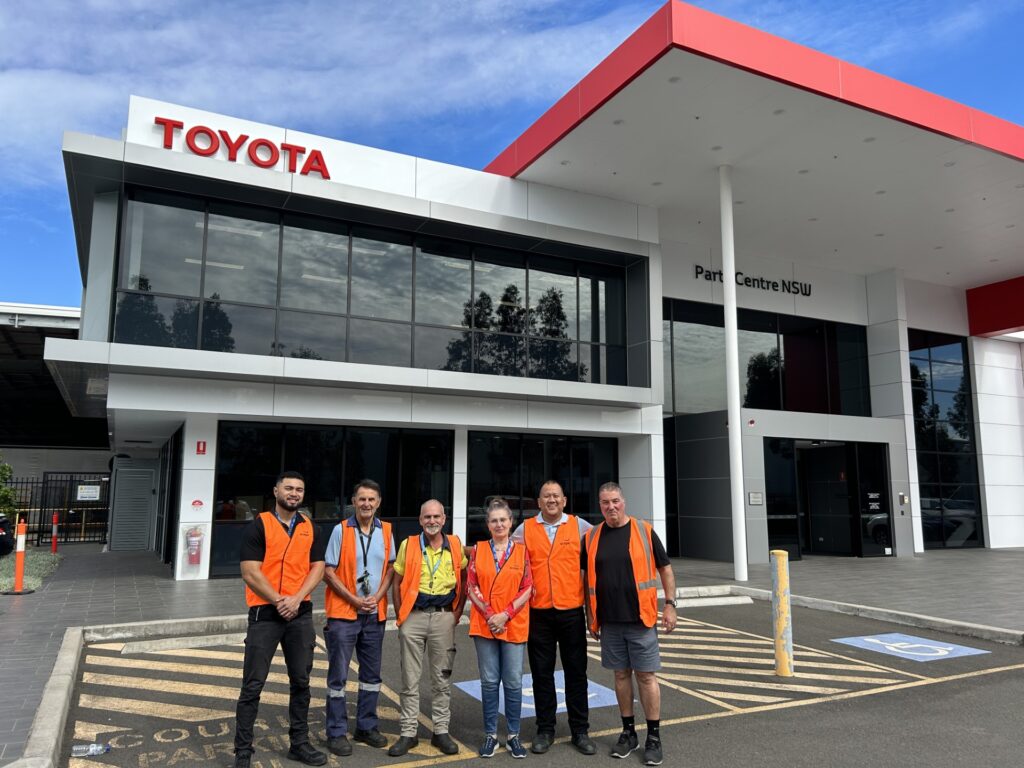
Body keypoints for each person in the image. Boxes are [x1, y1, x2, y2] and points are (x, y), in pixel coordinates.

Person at [233, 471, 327, 768]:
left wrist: (296, 599)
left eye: (299, 489)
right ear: (276, 491)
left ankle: (299, 744)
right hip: (265, 614)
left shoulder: (310, 527)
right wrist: (279, 600)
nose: (294, 493)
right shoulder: (259, 525)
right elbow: (250, 572)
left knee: (301, 682)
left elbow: (318, 568)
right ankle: (243, 752)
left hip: (299, 614)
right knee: (253, 685)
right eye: (289, 488)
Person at [582, 482, 676, 767]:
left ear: (624, 501)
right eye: (604, 502)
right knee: (620, 677)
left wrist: (670, 604)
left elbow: (666, 569)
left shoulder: (644, 531)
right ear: (600, 505)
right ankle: (628, 733)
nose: (611, 507)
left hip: (641, 620)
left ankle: (654, 737)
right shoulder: (591, 537)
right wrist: (591, 617)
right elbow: (587, 581)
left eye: (615, 501)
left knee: (646, 677)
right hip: (609, 622)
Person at [511, 481, 595, 755]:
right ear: (538, 502)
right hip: (538, 613)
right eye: (546, 496)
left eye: (556, 496)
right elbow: (509, 561)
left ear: (564, 500)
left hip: (571, 611)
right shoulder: (524, 530)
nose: (551, 500)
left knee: (576, 672)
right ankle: (545, 729)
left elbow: (597, 559)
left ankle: (580, 731)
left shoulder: (580, 527)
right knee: (541, 674)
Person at [388, 499, 467, 757]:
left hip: (444, 618)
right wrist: (401, 615)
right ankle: (408, 733)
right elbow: (397, 579)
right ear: (420, 520)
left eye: (436, 517)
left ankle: (440, 732)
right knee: (410, 679)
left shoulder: (454, 544)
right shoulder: (408, 545)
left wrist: (456, 612)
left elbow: (464, 577)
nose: (432, 521)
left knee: (441, 679)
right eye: (427, 517)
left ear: (444, 519)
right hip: (414, 617)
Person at [322, 479, 396, 756]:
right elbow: (328, 572)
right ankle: (337, 732)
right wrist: (354, 599)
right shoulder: (340, 530)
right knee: (338, 677)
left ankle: (366, 726)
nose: (366, 504)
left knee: (371, 676)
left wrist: (376, 598)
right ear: (353, 502)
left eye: (371, 499)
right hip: (344, 614)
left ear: (378, 503)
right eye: (361, 499)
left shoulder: (387, 530)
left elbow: (391, 569)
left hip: (374, 614)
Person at [468, 498, 534, 759]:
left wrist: (505, 615)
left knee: (514, 682)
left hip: (513, 623)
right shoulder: (478, 549)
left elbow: (528, 587)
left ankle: (514, 735)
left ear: (510, 523)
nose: (498, 524)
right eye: (493, 520)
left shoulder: (521, 551)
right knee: (489, 682)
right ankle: (490, 735)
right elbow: (471, 585)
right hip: (485, 624)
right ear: (487, 524)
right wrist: (489, 614)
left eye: (503, 520)